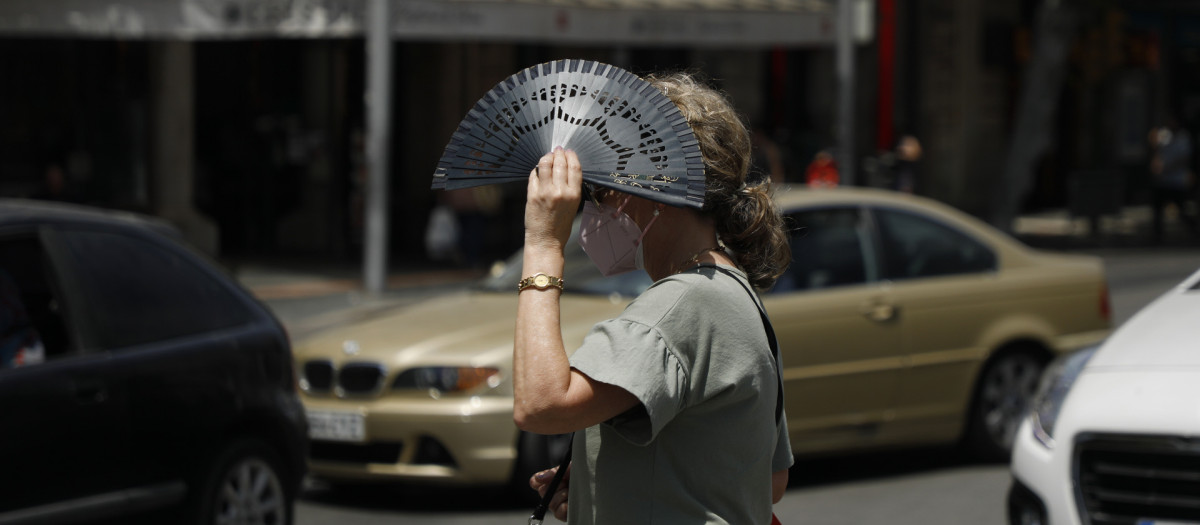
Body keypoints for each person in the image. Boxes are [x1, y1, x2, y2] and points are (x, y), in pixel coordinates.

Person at [513, 71, 793, 524]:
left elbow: (539, 403)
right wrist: (606, 485)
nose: (599, 204)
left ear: (653, 189)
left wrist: (543, 244)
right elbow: (769, 481)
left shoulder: (682, 304)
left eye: (603, 187)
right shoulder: (736, 294)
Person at [1149, 116, 1197, 242]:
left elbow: (1183, 159)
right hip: (1163, 181)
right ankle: (1157, 235)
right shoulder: (1165, 135)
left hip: (1176, 181)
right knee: (1157, 209)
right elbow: (1156, 146)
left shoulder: (1183, 138)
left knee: (1181, 210)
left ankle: (1194, 229)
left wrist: (1167, 168)